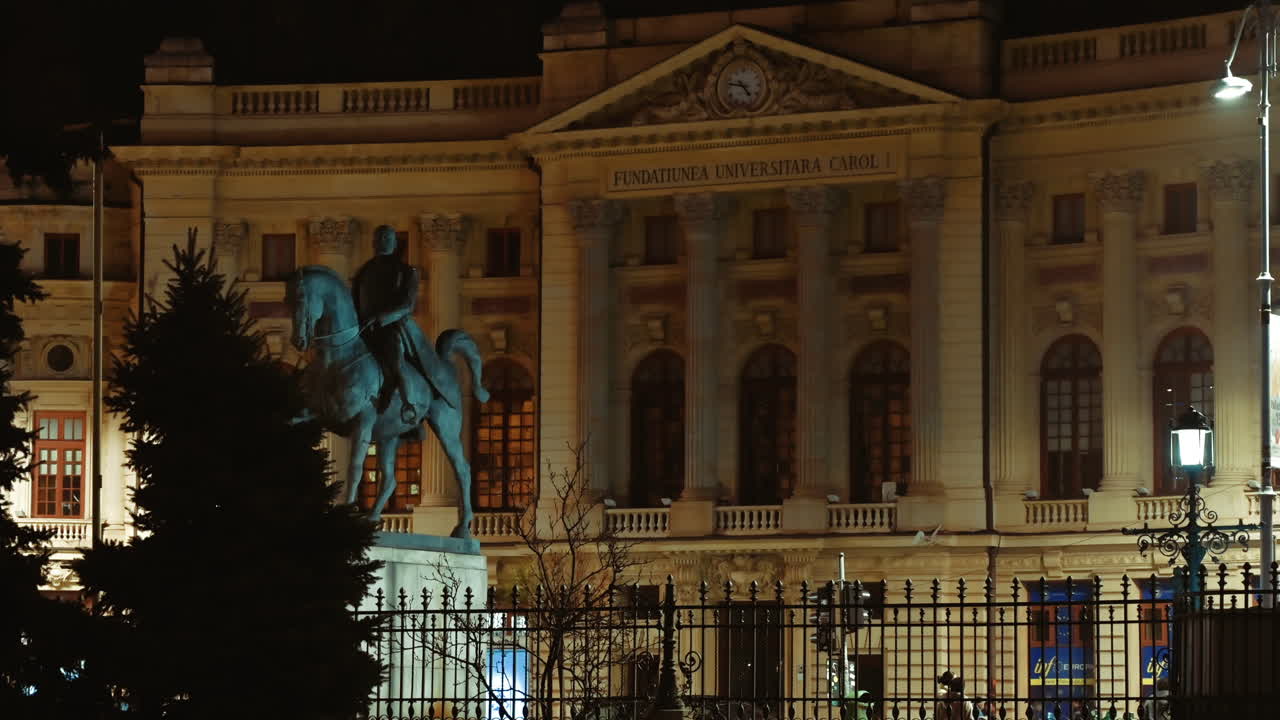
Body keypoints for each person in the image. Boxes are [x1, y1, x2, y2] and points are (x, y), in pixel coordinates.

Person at [350, 225, 454, 426]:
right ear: (373, 243)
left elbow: (407, 305)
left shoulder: (406, 271)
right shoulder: (363, 272)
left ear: (395, 243)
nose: (383, 241)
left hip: (392, 328)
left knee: (396, 361)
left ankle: (410, 406)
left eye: (388, 238)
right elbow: (354, 301)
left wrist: (381, 318)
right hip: (363, 329)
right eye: (380, 238)